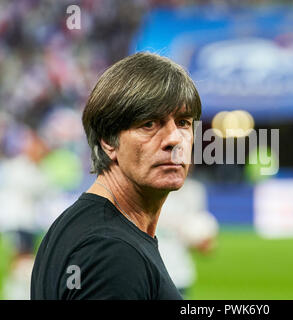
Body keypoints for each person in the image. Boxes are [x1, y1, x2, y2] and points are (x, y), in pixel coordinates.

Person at [30, 52, 202, 300]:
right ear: (108, 141)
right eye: (149, 124)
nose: (174, 139)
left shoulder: (87, 228)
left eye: (184, 122)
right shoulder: (111, 251)